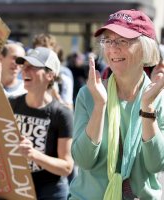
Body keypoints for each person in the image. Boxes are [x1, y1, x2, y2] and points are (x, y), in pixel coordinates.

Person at [69, 9, 164, 200]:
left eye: (122, 40)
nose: (112, 48)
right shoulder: (88, 94)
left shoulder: (158, 98)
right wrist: (99, 106)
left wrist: (147, 108)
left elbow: (156, 164)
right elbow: (83, 161)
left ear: (145, 48)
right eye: (107, 40)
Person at [9, 46, 74, 200]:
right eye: (24, 66)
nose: (25, 71)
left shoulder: (62, 114)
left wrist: (33, 155)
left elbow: (67, 167)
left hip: (51, 192)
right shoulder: (11, 104)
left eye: (32, 67)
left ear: (50, 75)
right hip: (17, 188)